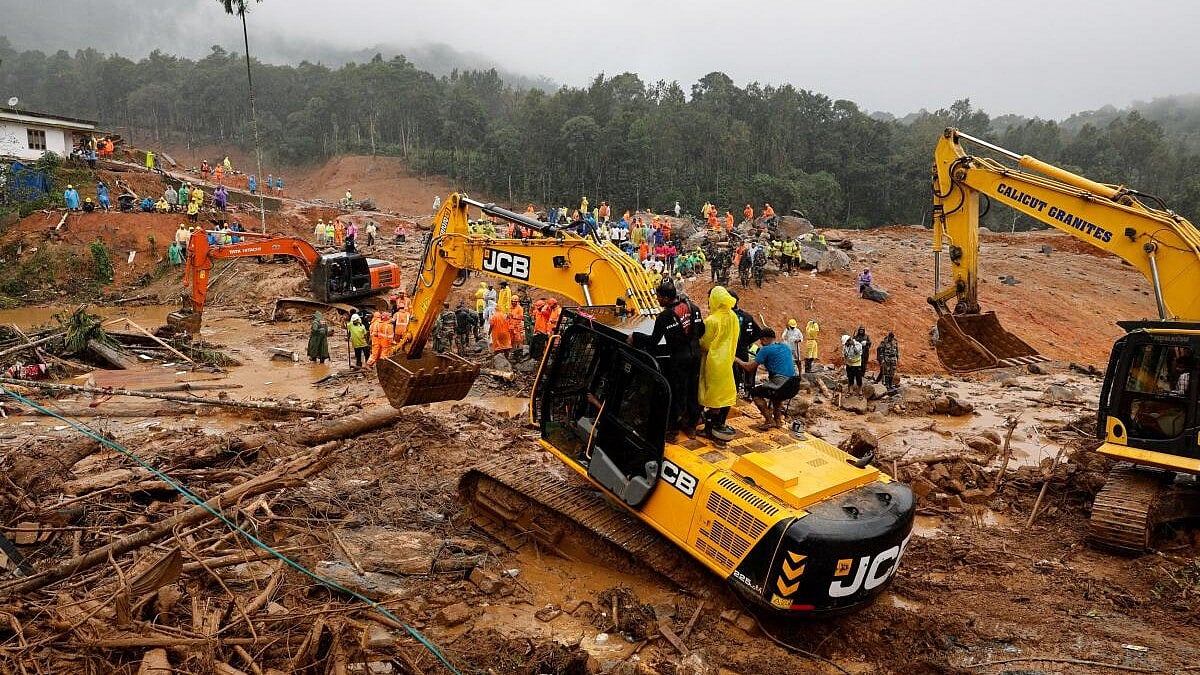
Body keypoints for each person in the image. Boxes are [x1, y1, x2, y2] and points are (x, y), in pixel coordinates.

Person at [628, 282, 705, 439]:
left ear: (665, 298)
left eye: (658, 297)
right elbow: (702, 329)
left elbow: (653, 341)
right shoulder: (694, 308)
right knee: (693, 391)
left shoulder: (664, 316)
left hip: (679, 360)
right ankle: (691, 427)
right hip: (696, 357)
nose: (657, 300)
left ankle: (672, 431)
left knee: (678, 393)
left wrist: (635, 336)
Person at [735, 327, 799, 429]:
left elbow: (748, 367)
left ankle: (769, 420)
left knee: (755, 393)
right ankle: (778, 420)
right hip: (794, 384)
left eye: (761, 341)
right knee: (776, 395)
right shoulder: (785, 346)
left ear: (764, 339)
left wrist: (735, 359)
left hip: (781, 383)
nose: (761, 343)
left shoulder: (766, 349)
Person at [699, 286, 739, 441]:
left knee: (712, 396)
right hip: (727, 359)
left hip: (714, 362)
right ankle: (718, 425)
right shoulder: (733, 317)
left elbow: (705, 344)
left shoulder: (711, 320)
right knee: (723, 394)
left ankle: (708, 430)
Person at [729, 290, 761, 398]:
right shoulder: (745, 316)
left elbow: (758, 332)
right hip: (740, 349)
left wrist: (746, 342)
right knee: (736, 373)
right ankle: (741, 393)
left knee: (738, 373)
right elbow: (758, 333)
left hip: (734, 350)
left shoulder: (743, 316)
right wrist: (746, 342)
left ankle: (742, 394)